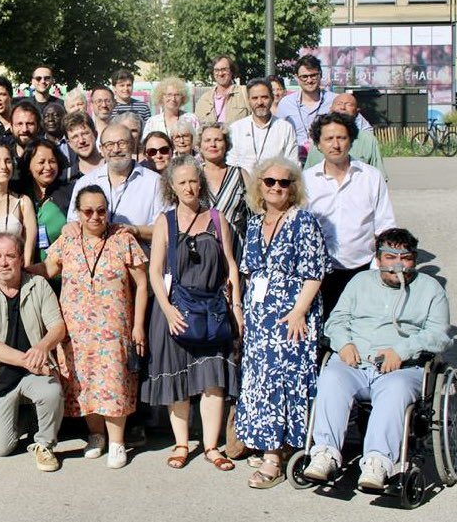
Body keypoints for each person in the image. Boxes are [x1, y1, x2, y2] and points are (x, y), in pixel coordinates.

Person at [303, 228, 451, 489]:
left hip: (401, 367)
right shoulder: (360, 282)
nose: (397, 264)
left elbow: (439, 335)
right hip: (355, 360)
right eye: (390, 257)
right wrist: (344, 343)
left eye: (405, 258)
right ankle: (324, 453)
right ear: (378, 259)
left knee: (395, 390)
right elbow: (336, 321)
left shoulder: (430, 289)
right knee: (331, 377)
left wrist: (402, 351)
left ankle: (377, 461)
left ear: (414, 259)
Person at [32, 186, 148, 469]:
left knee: (114, 382)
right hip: (77, 328)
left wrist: (139, 325)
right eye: (88, 211)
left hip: (114, 325)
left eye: (101, 210)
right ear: (78, 214)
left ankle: (117, 441)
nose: (95, 217)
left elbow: (142, 283)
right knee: (83, 382)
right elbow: (48, 269)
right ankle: (96, 435)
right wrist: (14, 271)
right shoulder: (68, 240)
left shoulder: (123, 240)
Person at [143, 156, 243, 471]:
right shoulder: (165, 221)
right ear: (172, 187)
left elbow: (231, 267)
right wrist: (168, 310)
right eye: (182, 182)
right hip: (176, 309)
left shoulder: (217, 218)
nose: (189, 187)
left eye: (193, 181)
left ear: (201, 183)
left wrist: (236, 307)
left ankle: (212, 447)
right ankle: (182, 442)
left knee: (213, 378)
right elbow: (155, 272)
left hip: (212, 308)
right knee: (179, 380)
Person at [234, 156, 327, 489]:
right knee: (261, 381)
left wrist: (300, 311)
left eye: (284, 182)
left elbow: (314, 272)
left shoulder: (303, 222)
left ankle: (278, 454)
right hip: (261, 317)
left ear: (294, 187)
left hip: (292, 316)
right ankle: (268, 441)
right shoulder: (255, 223)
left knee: (287, 382)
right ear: (259, 185)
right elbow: (250, 272)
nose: (276, 188)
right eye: (269, 181)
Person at [0, 233, 67, 470]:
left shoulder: (38, 285)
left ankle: (44, 444)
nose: (3, 262)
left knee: (51, 391)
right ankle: (27, 419)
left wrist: (42, 347)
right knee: (2, 449)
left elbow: (58, 326)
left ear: (21, 259)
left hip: (34, 373)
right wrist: (28, 361)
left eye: (10, 255)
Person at [303, 112, 395, 319]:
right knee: (324, 328)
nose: (335, 145)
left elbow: (384, 224)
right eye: (328, 139)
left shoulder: (371, 177)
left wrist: (379, 264)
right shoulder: (306, 180)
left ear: (351, 141)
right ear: (318, 144)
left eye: (341, 138)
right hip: (321, 272)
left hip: (362, 267)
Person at [68, 124, 164, 246]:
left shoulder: (155, 182)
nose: (116, 149)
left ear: (133, 145)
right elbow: (73, 223)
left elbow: (167, 229)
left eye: (122, 143)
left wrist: (136, 230)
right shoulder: (85, 182)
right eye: (109, 145)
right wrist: (69, 227)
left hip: (137, 262)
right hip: (93, 262)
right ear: (101, 149)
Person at [304, 93, 387, 179]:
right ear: (330, 110)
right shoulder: (320, 136)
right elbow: (308, 175)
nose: (342, 107)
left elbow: (379, 177)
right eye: (339, 104)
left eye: (349, 105)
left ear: (357, 112)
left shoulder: (368, 139)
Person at [228, 78, 299, 175]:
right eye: (255, 98)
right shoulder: (236, 128)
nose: (260, 102)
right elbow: (231, 163)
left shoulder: (285, 128)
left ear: (272, 98)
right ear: (248, 100)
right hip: (242, 186)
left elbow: (292, 164)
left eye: (264, 97)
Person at [200, 124, 248, 257]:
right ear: (200, 146)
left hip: (236, 248)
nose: (213, 144)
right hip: (201, 251)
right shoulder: (194, 175)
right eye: (207, 140)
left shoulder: (240, 174)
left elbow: (254, 212)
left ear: (226, 144)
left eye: (218, 140)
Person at [18, 139, 70, 261]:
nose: (48, 167)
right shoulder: (17, 193)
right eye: (41, 162)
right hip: (23, 270)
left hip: (59, 270)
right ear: (28, 165)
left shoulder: (69, 192)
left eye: (52, 161)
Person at [194, 55, 250, 125]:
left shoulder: (245, 93)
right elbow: (197, 127)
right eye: (216, 70)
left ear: (232, 71)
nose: (220, 73)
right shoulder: (204, 100)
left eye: (224, 69)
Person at [60, 112, 102, 183]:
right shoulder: (65, 179)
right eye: (75, 137)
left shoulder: (114, 168)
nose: (81, 141)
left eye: (85, 134)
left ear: (95, 134)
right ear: (69, 143)